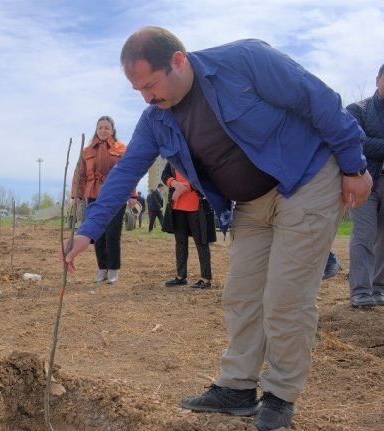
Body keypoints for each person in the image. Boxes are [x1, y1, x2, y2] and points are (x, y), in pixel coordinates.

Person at [63, 27, 371, 431]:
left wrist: (353, 164)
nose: (147, 98)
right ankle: (237, 388)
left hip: (306, 181)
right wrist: (87, 231)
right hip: (249, 205)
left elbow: (318, 99)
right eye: (138, 90)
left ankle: (280, 395)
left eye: (151, 85)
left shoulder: (244, 61)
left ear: (178, 60)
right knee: (241, 294)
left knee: (285, 298)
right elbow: (125, 176)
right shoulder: (156, 118)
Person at [71, 115, 136, 284]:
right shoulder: (87, 151)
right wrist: (76, 195)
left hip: (115, 195)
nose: (103, 130)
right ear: (96, 129)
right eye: (100, 127)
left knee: (113, 234)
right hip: (94, 195)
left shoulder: (122, 149)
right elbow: (80, 174)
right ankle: (102, 269)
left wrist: (132, 195)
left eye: (107, 127)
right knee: (97, 234)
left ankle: (113, 270)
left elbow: (129, 173)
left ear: (112, 130)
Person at [346, 63, 384, 307]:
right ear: (378, 79)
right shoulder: (357, 109)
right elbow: (356, 141)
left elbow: (370, 142)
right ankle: (360, 290)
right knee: (364, 234)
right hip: (364, 180)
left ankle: (379, 287)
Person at [161, 163, 215, 289]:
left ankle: (206, 279)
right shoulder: (172, 158)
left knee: (201, 243)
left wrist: (184, 188)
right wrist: (175, 184)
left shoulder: (197, 155)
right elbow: (165, 175)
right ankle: (181, 277)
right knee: (180, 243)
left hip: (196, 207)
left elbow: (204, 176)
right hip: (177, 207)